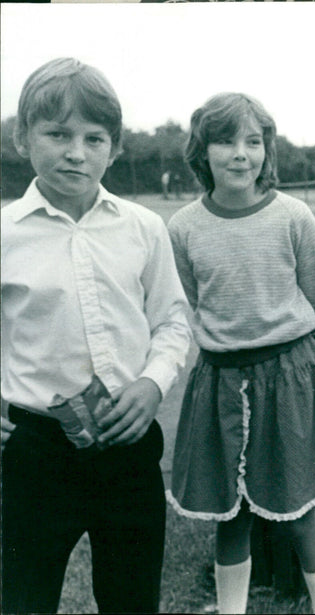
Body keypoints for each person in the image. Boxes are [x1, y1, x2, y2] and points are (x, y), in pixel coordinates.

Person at [0, 57, 192, 614]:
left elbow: (172, 322)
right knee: (24, 599)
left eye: (94, 137)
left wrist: (153, 385)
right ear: (22, 137)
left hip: (128, 447)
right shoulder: (6, 234)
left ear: (116, 146)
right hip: (36, 454)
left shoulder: (143, 228)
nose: (76, 152)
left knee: (131, 600)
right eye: (57, 133)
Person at [166, 92, 315, 614]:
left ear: (267, 149)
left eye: (253, 140)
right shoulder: (183, 227)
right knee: (231, 516)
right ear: (203, 151)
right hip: (220, 379)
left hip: (290, 375)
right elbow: (192, 304)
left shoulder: (294, 216)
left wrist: (300, 369)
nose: (241, 153)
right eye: (226, 140)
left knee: (298, 513)